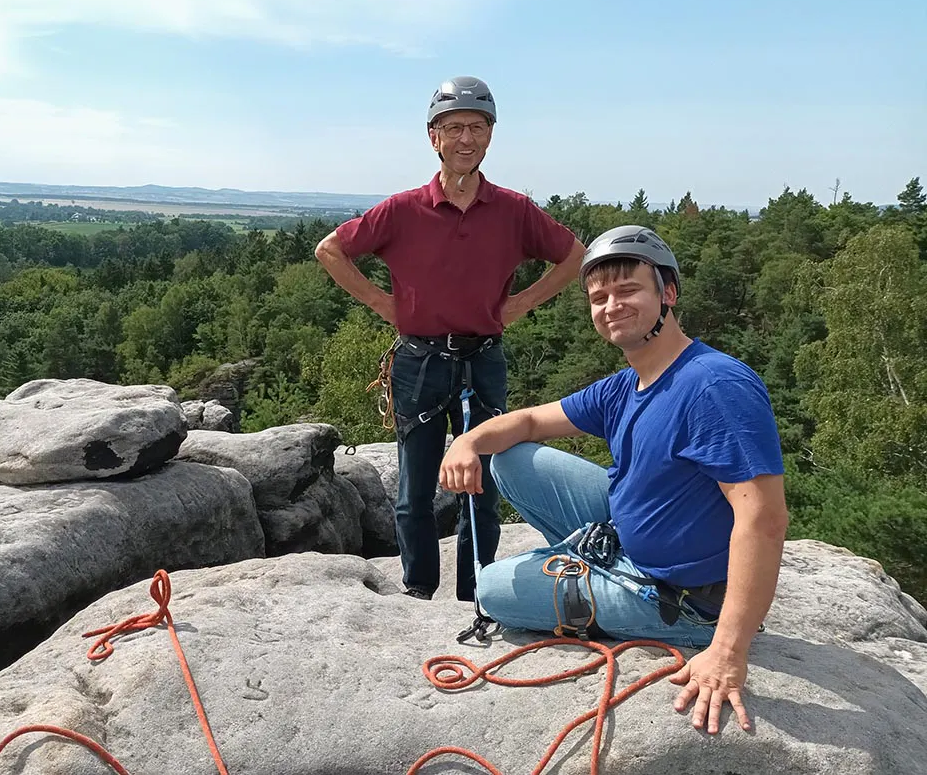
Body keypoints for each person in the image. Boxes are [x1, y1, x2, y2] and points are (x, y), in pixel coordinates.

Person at [438, 224, 789, 734]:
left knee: (491, 589)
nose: (611, 306)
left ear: (668, 293)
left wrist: (728, 652)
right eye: (598, 297)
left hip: (685, 596)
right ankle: (595, 567)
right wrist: (466, 441)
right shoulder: (630, 382)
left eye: (628, 290)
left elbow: (763, 518)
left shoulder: (714, 386)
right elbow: (531, 422)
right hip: (634, 534)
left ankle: (647, 602)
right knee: (510, 458)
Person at [315, 76, 584, 603]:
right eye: (454, 127)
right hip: (419, 360)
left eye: (477, 128)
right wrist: (382, 303)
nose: (466, 138)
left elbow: (574, 256)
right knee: (415, 486)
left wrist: (523, 302)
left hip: (483, 358)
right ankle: (418, 589)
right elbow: (330, 250)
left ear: (490, 137)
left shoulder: (513, 210)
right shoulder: (402, 209)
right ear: (433, 137)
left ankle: (478, 592)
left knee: (480, 484)